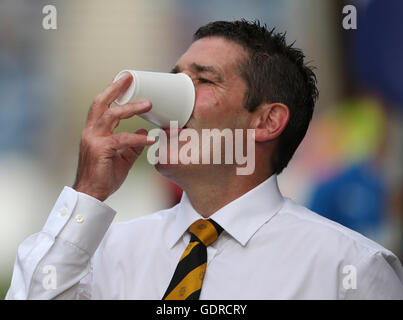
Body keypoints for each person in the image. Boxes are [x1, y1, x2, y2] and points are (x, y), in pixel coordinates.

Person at [6, 20, 403, 299]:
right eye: (175, 77)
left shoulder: (348, 268)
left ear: (266, 120)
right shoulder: (101, 252)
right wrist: (88, 193)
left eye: (204, 80)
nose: (170, 101)